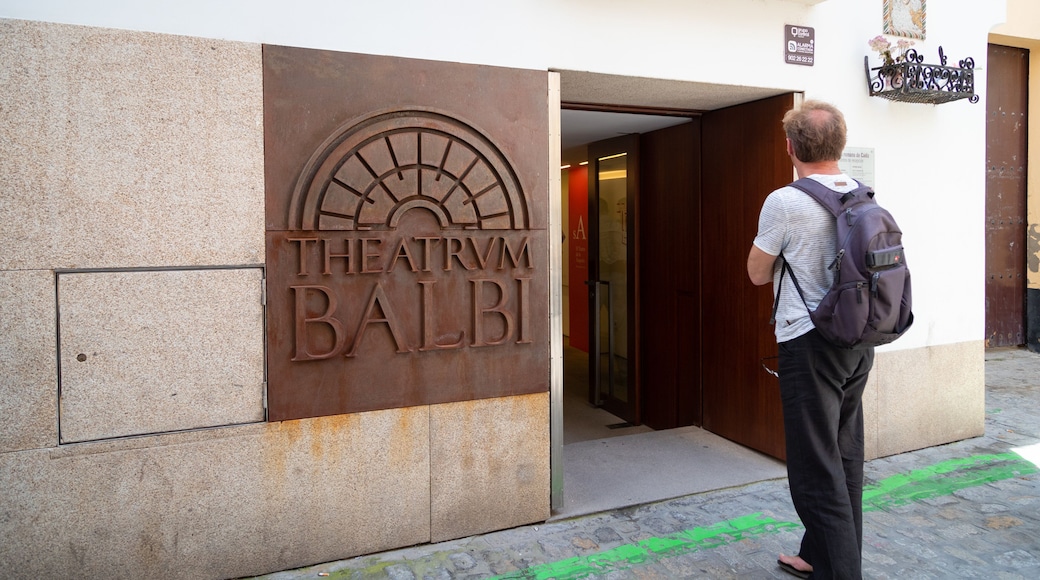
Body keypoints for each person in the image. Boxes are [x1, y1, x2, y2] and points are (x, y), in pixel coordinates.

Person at [747, 100, 874, 579]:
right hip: (858, 340)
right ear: (840, 144)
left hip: (809, 341)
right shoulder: (863, 194)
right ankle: (817, 554)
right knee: (843, 457)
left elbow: (757, 274)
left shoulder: (785, 200)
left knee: (814, 470)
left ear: (789, 147)